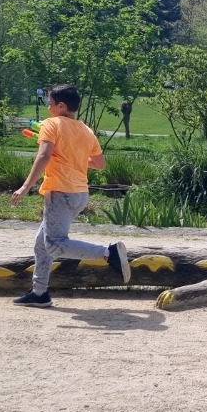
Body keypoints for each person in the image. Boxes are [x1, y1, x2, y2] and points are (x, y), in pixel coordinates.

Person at [10, 84, 131, 307]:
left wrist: (26, 186)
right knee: (42, 244)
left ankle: (108, 253)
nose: (48, 108)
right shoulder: (86, 130)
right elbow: (100, 164)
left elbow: (44, 155)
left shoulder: (51, 124)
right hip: (79, 195)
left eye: (50, 103)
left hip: (60, 192)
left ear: (61, 106)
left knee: (54, 244)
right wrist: (71, 157)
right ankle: (39, 293)